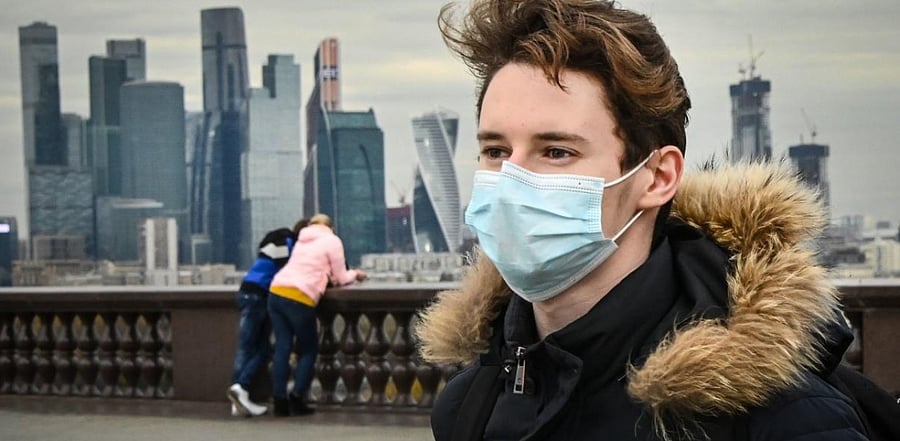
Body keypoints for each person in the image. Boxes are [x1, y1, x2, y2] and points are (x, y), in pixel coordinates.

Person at [415, 1, 870, 440]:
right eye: (495, 151)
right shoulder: (468, 406)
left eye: (557, 151)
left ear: (656, 177)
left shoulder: (781, 417)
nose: (512, 179)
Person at [267, 213, 367, 417]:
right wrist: (356, 274)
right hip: (299, 297)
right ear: (330, 226)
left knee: (283, 348)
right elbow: (341, 277)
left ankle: (279, 400)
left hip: (276, 291)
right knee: (308, 350)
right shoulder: (332, 241)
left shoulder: (302, 240)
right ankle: (297, 398)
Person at [227, 219, 308, 417]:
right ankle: (240, 387)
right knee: (258, 348)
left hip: (247, 291)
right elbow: (287, 271)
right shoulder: (288, 243)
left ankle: (238, 399)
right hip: (260, 295)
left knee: (249, 347)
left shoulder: (276, 238)